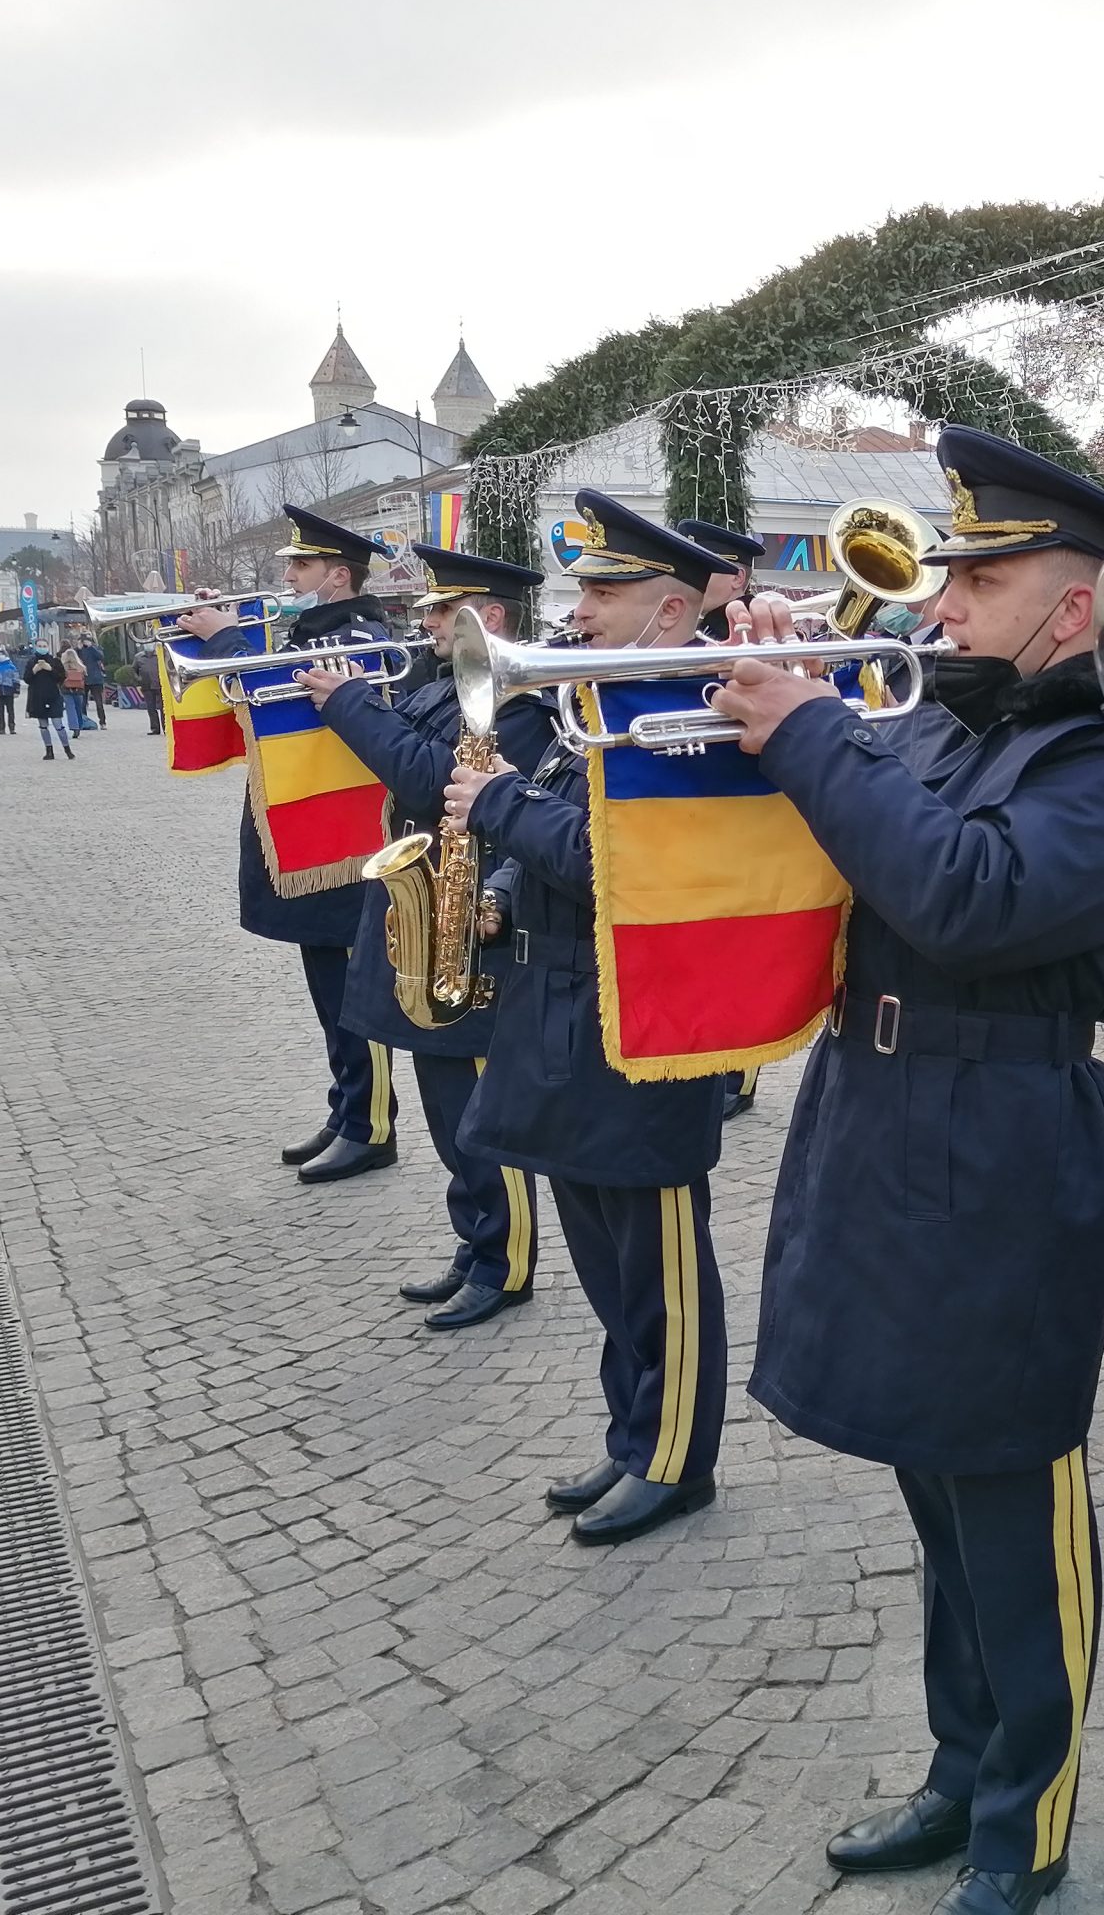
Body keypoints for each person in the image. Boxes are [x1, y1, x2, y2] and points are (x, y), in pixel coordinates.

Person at [708, 427, 1104, 1915]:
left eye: (982, 575)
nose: (942, 598)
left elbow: (964, 894)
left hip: (1006, 1132)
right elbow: (864, 824)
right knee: (931, 1477)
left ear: (1071, 607)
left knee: (1013, 1495)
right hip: (882, 1106)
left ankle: (1022, 1819)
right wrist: (794, 687)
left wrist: (812, 734)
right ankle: (956, 1763)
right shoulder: (944, 714)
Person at [441, 492, 733, 1543]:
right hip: (559, 1004)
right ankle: (629, 1438)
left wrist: (502, 806)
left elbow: (630, 866)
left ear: (668, 609)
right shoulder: (595, 703)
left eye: (603, 591)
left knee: (658, 1264)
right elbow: (548, 836)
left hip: (643, 1016)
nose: (580, 608)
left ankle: (675, 1458)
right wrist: (499, 891)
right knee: (606, 1262)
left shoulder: (693, 711)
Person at [295, 545, 558, 1329]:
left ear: (491, 617)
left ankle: (504, 1260)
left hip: (472, 918)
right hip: (424, 911)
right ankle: (473, 1243)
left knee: (476, 1107)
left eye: (444, 610)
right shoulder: (446, 686)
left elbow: (427, 779)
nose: (428, 621)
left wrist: (348, 704)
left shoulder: (516, 699)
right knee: (446, 1106)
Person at [177, 507, 401, 1184]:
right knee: (326, 985)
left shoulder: (358, 636)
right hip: (306, 837)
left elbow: (274, 687)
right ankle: (346, 1107)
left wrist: (224, 640)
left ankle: (372, 1125)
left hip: (347, 842)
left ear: (337, 575)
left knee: (354, 988)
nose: (287, 573)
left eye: (299, 565)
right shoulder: (310, 628)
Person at [680, 517, 773, 1121]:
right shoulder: (689, 630)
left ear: (736, 575)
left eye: (707, 564)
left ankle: (739, 1072)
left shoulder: (749, 629)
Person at [25, 644, 74, 759]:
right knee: (43, 725)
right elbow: (27, 679)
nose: (42, 647)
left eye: (44, 645)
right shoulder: (31, 662)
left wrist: (50, 669)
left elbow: (61, 677)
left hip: (53, 696)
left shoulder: (55, 661)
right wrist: (34, 671)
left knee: (58, 724)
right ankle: (49, 750)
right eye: (40, 645)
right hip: (37, 697)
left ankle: (67, 749)